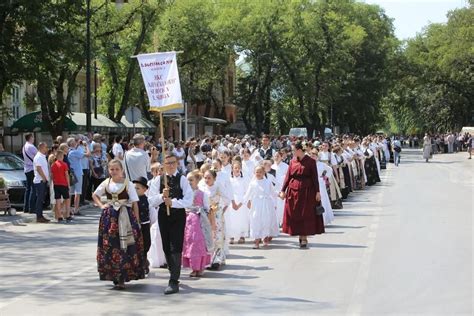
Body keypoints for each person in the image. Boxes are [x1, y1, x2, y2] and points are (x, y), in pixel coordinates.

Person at [92, 159, 145, 290]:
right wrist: (102, 206)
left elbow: (134, 203)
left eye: (117, 169)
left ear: (122, 170)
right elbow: (95, 195)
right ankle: (113, 275)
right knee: (110, 245)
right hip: (110, 218)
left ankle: (123, 276)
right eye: (112, 169)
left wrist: (137, 221)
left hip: (125, 217)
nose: (114, 172)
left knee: (125, 245)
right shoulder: (106, 183)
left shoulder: (128, 184)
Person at [148, 153, 193, 295]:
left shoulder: (183, 179)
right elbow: (151, 200)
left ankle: (174, 280)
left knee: (176, 245)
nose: (171, 165)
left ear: (177, 163)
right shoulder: (158, 180)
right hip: (163, 215)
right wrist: (162, 196)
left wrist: (172, 202)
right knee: (166, 246)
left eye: (173, 163)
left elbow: (188, 200)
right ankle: (172, 271)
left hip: (178, 215)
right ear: (163, 165)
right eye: (168, 163)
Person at [279, 141, 323, 248]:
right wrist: (283, 190)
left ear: (299, 150)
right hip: (293, 191)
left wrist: (317, 192)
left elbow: (315, 178)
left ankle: (304, 236)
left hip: (307, 191)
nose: (293, 152)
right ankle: (298, 233)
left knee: (305, 214)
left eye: (294, 150)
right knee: (295, 213)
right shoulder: (292, 161)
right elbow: (288, 177)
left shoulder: (311, 161)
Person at [199, 169, 232, 271]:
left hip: (216, 214)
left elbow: (227, 200)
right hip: (205, 215)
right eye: (205, 178)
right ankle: (208, 259)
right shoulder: (202, 188)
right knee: (208, 236)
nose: (207, 180)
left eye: (209, 178)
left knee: (217, 236)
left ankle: (217, 260)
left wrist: (221, 210)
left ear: (214, 178)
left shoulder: (218, 187)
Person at [182, 171, 212, 278]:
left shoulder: (202, 194)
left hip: (199, 222)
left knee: (198, 243)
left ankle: (200, 267)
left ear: (197, 180)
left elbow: (207, 208)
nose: (189, 182)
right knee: (190, 243)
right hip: (187, 221)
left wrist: (200, 212)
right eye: (187, 180)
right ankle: (193, 267)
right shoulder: (185, 194)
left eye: (191, 180)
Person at [244, 166, 279, 249]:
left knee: (266, 220)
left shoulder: (268, 182)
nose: (258, 174)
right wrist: (243, 202)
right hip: (256, 204)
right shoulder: (252, 183)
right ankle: (256, 241)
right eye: (256, 172)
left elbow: (273, 193)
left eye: (260, 172)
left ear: (264, 173)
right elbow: (247, 195)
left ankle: (265, 238)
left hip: (266, 204)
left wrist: (278, 198)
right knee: (255, 220)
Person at [225, 161, 250, 245]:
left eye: (238, 168)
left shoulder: (244, 179)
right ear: (232, 169)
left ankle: (242, 235)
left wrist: (240, 203)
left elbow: (247, 192)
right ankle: (231, 236)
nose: (237, 169)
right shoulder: (229, 179)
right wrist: (232, 202)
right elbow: (228, 191)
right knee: (232, 219)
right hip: (232, 201)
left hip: (241, 201)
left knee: (242, 218)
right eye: (235, 168)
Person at [132, 176, 152, 275]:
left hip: (145, 224)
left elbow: (151, 213)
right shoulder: (132, 200)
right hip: (135, 226)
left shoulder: (147, 200)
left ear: (144, 189)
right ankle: (140, 264)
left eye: (138, 188)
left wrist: (150, 223)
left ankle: (144, 260)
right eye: (134, 188)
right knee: (136, 245)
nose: (135, 190)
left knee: (146, 243)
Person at [67, 137, 91, 215]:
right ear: (72, 143)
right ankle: (76, 209)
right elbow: (88, 154)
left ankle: (69, 208)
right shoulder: (74, 152)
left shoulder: (69, 151)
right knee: (78, 191)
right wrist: (86, 146)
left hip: (72, 173)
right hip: (77, 172)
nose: (76, 142)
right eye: (75, 141)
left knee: (71, 192)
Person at [50, 150, 71, 222]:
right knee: (67, 200)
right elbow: (66, 175)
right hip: (64, 184)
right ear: (61, 156)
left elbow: (52, 176)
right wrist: (68, 184)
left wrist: (54, 181)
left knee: (58, 200)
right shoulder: (64, 164)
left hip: (56, 184)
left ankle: (59, 216)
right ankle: (67, 215)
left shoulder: (53, 165)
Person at [33, 142, 50, 223]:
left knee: (42, 199)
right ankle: (38, 216)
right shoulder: (38, 157)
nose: (47, 149)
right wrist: (43, 178)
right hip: (39, 181)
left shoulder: (42, 156)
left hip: (42, 180)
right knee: (40, 199)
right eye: (45, 147)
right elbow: (38, 168)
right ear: (41, 147)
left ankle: (41, 215)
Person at [272, 150, 289, 226]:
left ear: (281, 157)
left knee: (282, 205)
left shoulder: (286, 166)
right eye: (275, 156)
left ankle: (283, 221)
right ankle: (275, 221)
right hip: (274, 189)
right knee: (275, 205)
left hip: (283, 188)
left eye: (278, 156)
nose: (276, 158)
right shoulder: (272, 166)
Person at [22, 133, 38, 213]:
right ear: (30, 137)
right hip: (32, 169)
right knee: (33, 189)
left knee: (28, 189)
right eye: (33, 137)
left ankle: (26, 207)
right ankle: (32, 208)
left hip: (26, 169)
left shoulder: (24, 146)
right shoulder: (31, 146)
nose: (34, 138)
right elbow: (38, 155)